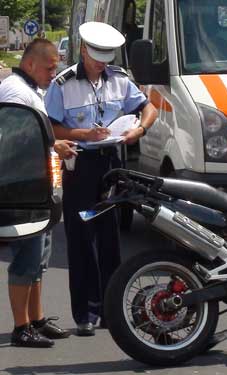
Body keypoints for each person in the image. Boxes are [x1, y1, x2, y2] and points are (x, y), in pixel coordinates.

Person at [44, 22, 158, 337]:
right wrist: (83, 134)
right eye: (97, 57)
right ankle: (86, 313)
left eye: (106, 57)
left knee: (110, 238)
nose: (102, 63)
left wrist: (140, 130)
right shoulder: (63, 84)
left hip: (112, 164)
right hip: (80, 164)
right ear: (82, 50)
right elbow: (50, 129)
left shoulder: (120, 79)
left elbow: (149, 108)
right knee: (82, 238)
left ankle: (111, 310)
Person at [0, 38, 75, 348]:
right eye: (49, 67)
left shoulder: (30, 89)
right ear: (30, 63)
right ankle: (21, 328)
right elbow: (15, 140)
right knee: (27, 258)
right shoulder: (16, 92)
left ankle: (36, 320)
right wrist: (52, 145)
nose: (52, 73)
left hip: (38, 186)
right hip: (23, 189)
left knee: (39, 258)